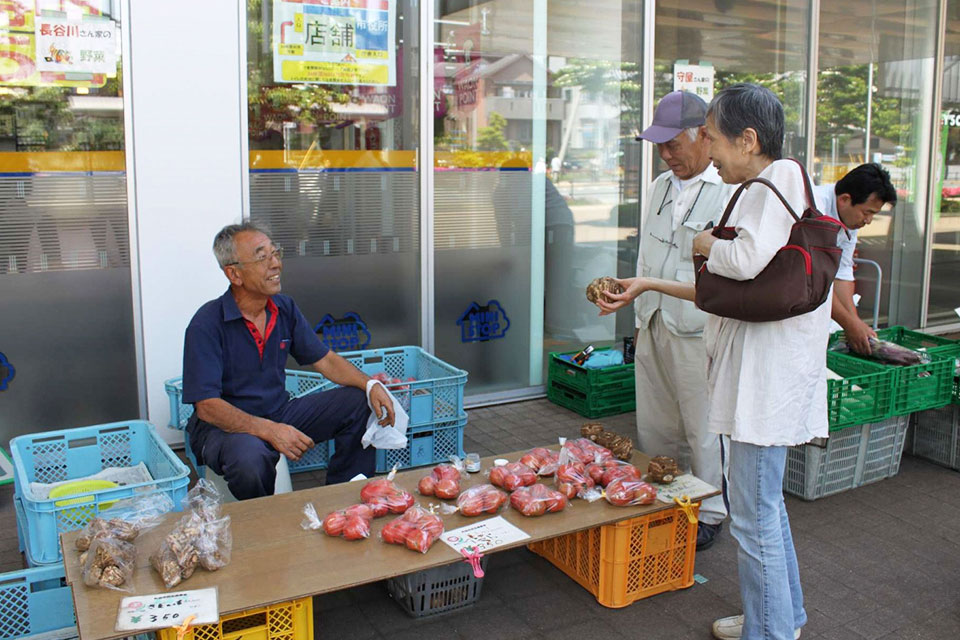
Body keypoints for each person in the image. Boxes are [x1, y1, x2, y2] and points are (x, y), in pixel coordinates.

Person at [599, 83, 826, 640]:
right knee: (766, 511)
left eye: (712, 138)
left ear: (748, 141)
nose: (707, 148)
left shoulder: (761, 187)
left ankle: (769, 631)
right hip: (760, 371)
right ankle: (781, 617)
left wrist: (703, 245)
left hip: (759, 381)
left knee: (752, 517)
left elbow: (744, 262)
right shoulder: (782, 180)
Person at [600, 90, 733, 550]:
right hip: (654, 318)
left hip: (700, 326)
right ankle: (664, 493)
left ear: (703, 135)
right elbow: (646, 254)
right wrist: (636, 313)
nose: (665, 154)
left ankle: (711, 509)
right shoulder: (659, 186)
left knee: (703, 423)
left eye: (673, 143)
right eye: (659, 145)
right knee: (655, 420)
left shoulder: (728, 190)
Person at [182, 222, 395, 500]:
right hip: (224, 429)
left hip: (278, 412)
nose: (276, 264)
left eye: (275, 253)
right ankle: (265, 525)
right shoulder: (206, 324)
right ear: (234, 273)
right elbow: (208, 408)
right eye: (262, 257)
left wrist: (370, 386)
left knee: (358, 402)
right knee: (250, 459)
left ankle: (347, 498)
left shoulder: (284, 309)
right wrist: (270, 431)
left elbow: (325, 360)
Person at [813, 164, 897, 354]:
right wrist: (850, 324)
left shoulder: (850, 218)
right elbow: (814, 280)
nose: (868, 221)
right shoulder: (814, 208)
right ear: (844, 199)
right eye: (867, 213)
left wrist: (856, 323)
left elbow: (842, 274)